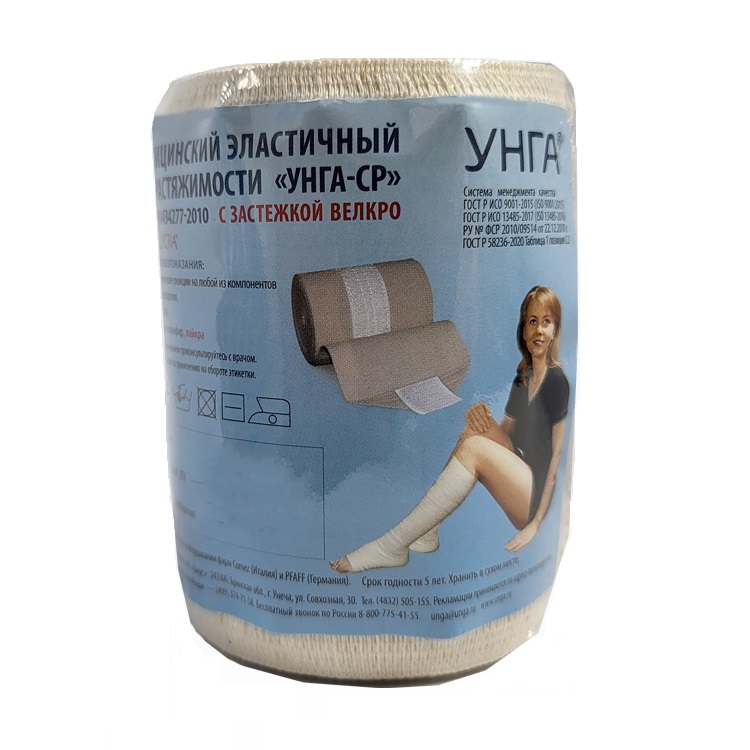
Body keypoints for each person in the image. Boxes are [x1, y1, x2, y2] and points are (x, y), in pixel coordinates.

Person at [330, 286, 569, 573]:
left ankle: (390, 546)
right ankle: (427, 531)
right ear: (523, 330)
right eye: (532, 321)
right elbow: (506, 436)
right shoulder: (524, 377)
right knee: (475, 430)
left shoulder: (556, 382)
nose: (539, 329)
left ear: (555, 330)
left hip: (536, 495)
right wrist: (481, 416)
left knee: (475, 448)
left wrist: (536, 524)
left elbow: (557, 457)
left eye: (546, 322)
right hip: (521, 475)